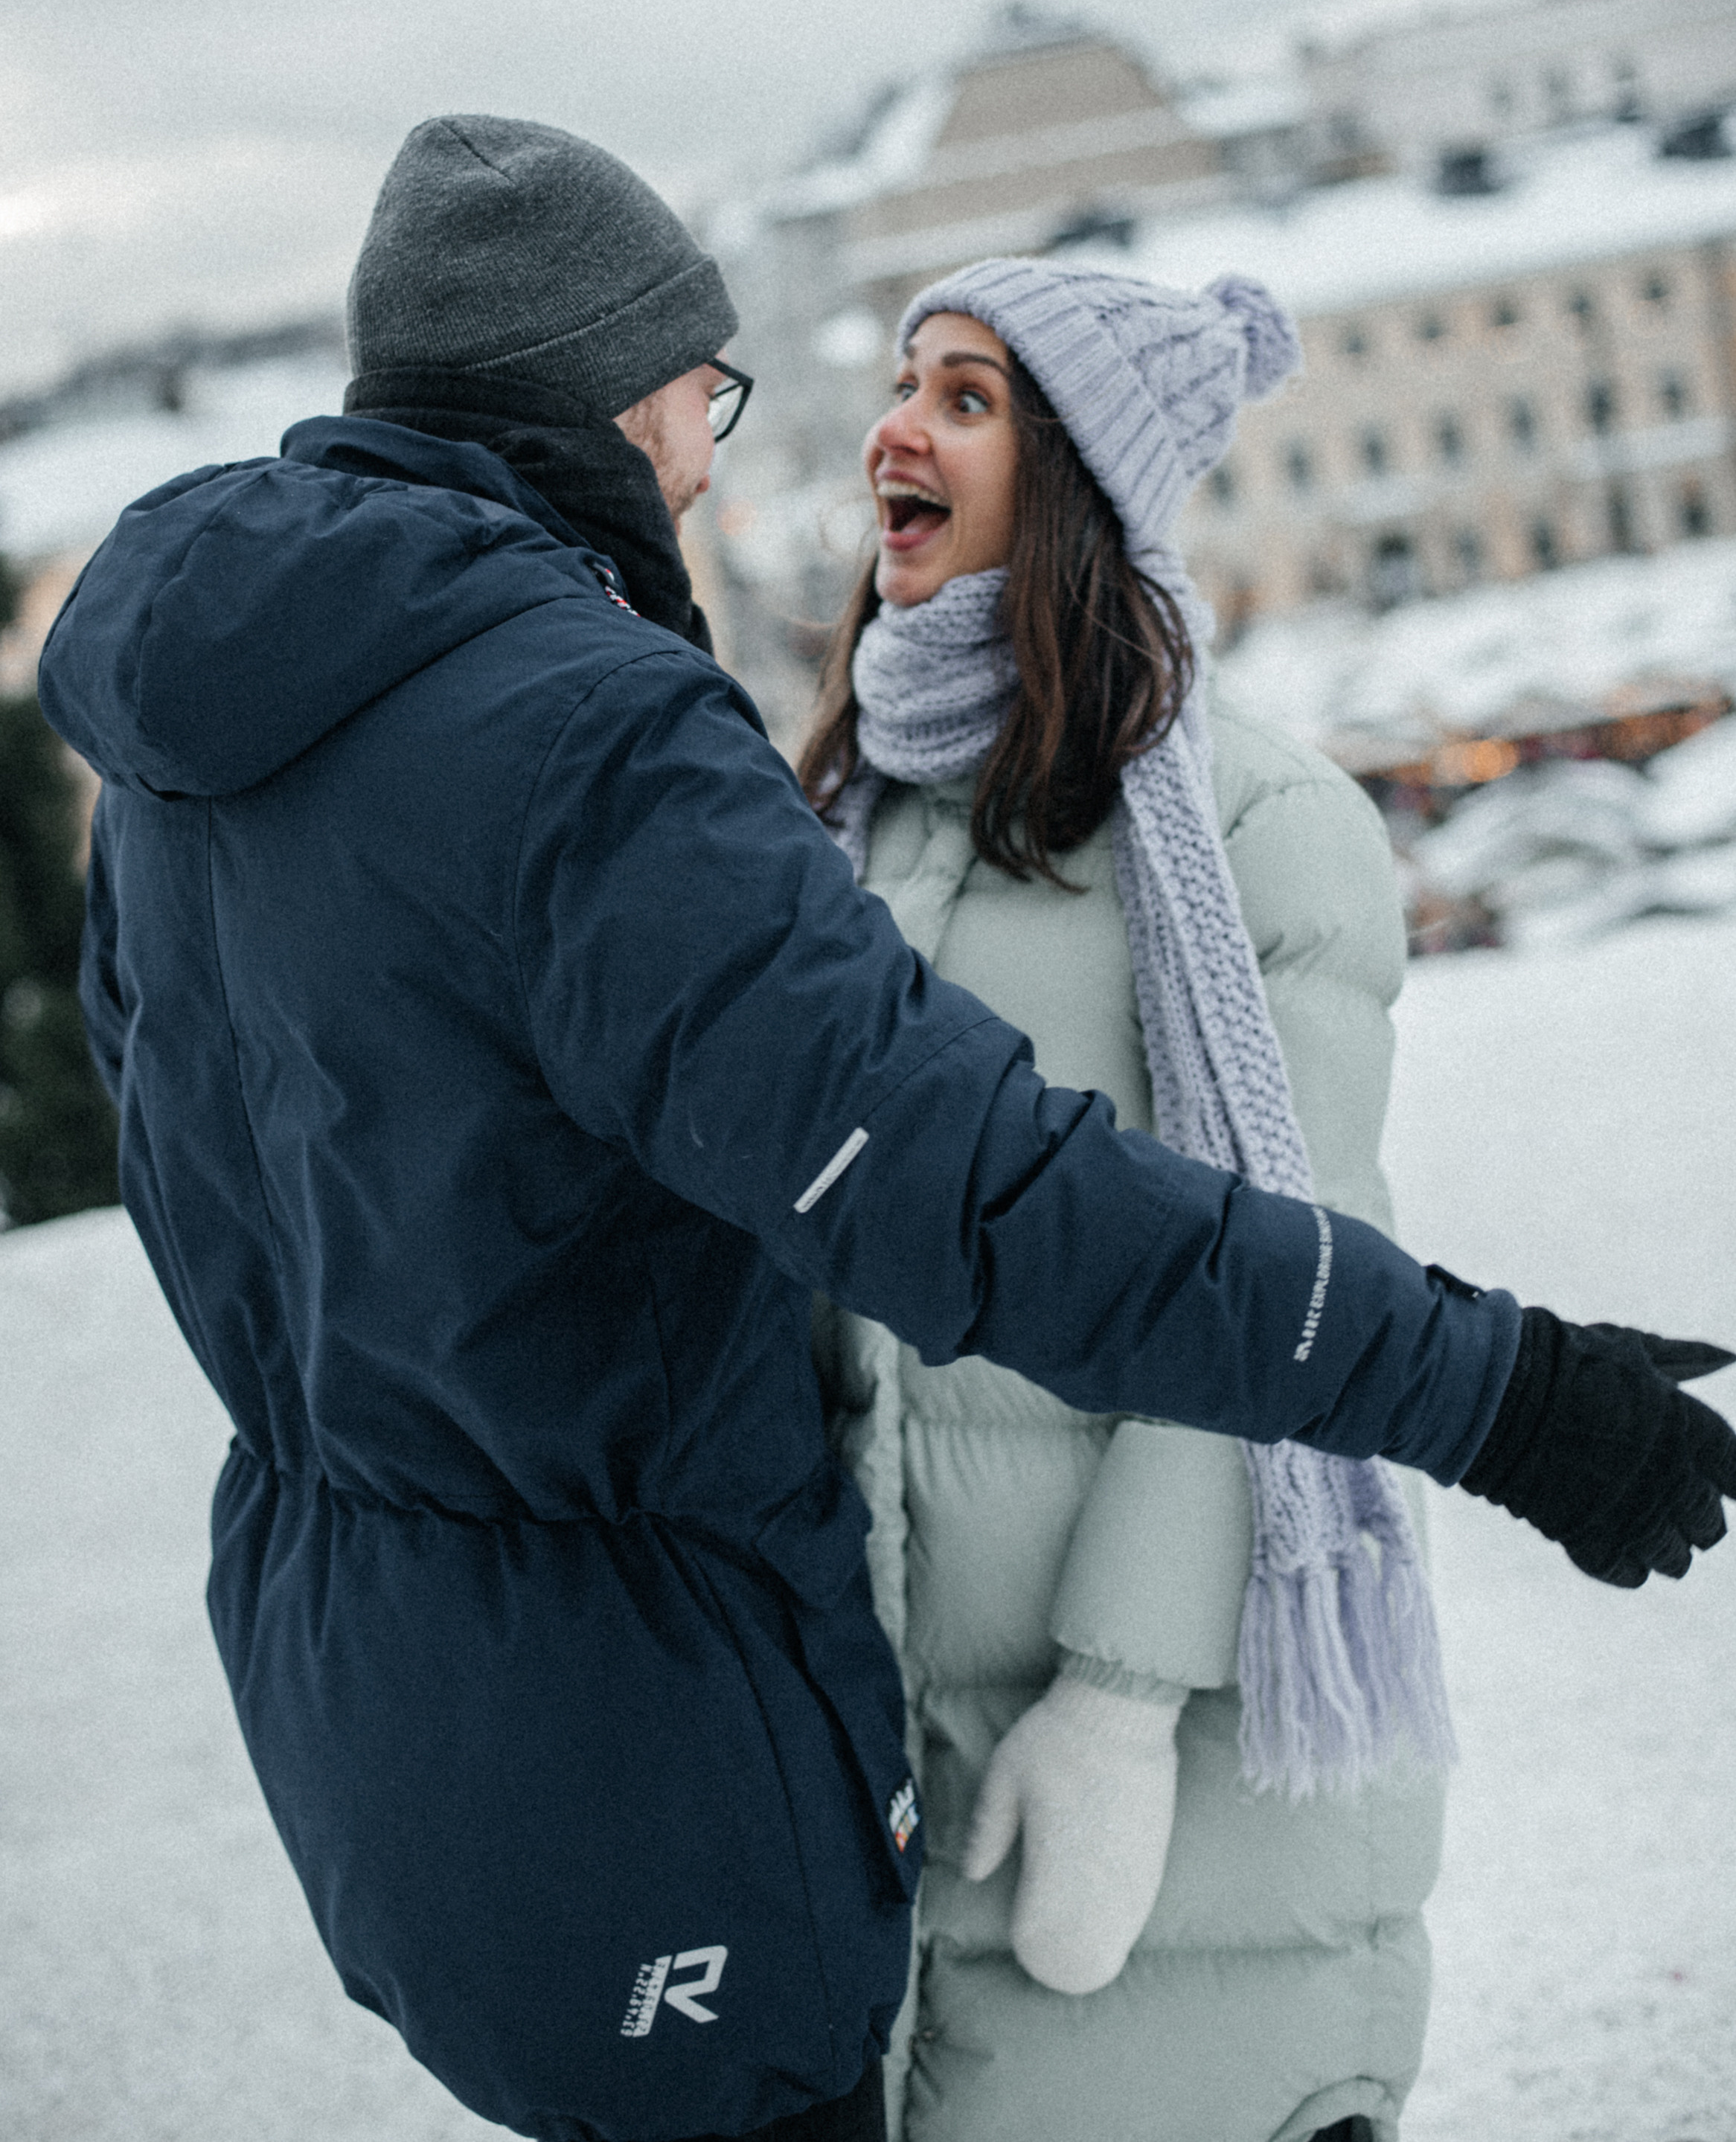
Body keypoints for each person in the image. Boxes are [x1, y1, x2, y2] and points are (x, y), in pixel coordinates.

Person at [36, 118, 1735, 2142]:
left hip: (369, 1704)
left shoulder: (193, 750)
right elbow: (976, 1189)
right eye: (702, 394)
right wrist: (1495, 1386)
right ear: (612, 388)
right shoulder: (585, 732)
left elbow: (218, 1183)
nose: (717, 456)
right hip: (661, 1712)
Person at [800, 259, 1455, 2141]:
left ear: (1078, 475)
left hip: (1192, 1749)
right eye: (903, 381)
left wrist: (1116, 1695)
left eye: (969, 397)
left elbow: (1295, 1298)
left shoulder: (1258, 824)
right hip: (922, 1726)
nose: (895, 430)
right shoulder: (859, 815)